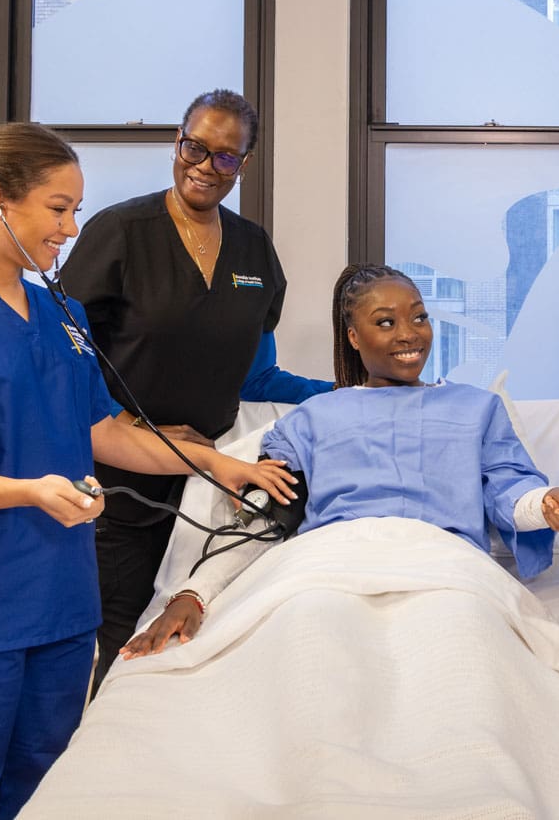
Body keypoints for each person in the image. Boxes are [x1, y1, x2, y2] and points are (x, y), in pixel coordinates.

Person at [0, 115, 296, 820]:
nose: (69, 231)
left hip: (59, 608)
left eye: (76, 211)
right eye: (58, 210)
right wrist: (26, 491)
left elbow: (102, 431)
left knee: (46, 797)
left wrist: (219, 464)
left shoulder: (60, 315)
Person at [121, 263, 559, 658]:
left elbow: (511, 494)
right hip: (329, 569)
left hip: (446, 568)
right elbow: (265, 520)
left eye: (418, 317)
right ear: (353, 337)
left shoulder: (476, 409)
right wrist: (194, 594)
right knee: (310, 636)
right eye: (386, 322)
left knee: (462, 639)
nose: (409, 333)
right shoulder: (313, 419)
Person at [58, 88, 332, 691]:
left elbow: (257, 376)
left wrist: (351, 393)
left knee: (199, 639)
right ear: (176, 143)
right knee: (113, 633)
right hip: (121, 480)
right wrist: (126, 424)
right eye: (195, 148)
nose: (205, 167)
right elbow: (61, 359)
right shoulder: (120, 232)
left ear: (244, 164)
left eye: (226, 157)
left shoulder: (254, 249)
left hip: (211, 482)